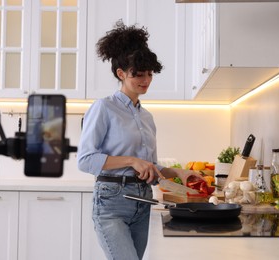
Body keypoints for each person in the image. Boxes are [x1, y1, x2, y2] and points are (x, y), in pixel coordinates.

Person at [77, 21, 203, 260]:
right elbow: (85, 160)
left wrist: (180, 173)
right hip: (111, 203)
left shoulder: (147, 117)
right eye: (138, 74)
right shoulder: (103, 108)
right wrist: (132, 161)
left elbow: (151, 167)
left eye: (149, 74)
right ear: (121, 74)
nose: (145, 80)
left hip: (142, 201)